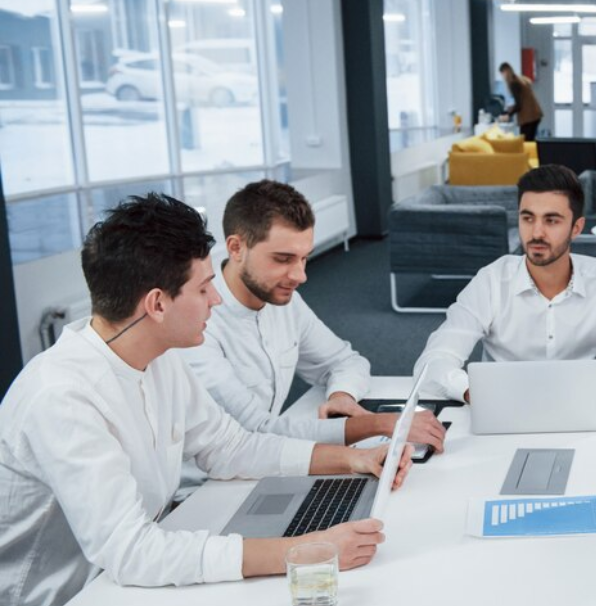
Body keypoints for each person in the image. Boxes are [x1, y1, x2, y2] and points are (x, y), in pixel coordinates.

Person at [0, 194, 411, 606]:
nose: (216, 299)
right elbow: (130, 552)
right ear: (157, 304)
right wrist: (303, 551)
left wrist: (353, 459)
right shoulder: (62, 395)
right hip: (67, 595)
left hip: (124, 576)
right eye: (203, 287)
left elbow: (231, 447)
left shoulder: (158, 358)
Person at [182, 180, 445, 449]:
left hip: (263, 459)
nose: (301, 276)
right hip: (208, 484)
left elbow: (345, 361)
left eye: (304, 257)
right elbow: (255, 428)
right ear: (236, 248)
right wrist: (383, 424)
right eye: (283, 259)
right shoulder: (194, 321)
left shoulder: (282, 299)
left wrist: (342, 395)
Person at [414, 165, 596, 402]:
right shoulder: (491, 281)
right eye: (528, 218)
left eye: (551, 220)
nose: (536, 233)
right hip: (500, 409)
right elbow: (433, 363)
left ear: (576, 227)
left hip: (582, 408)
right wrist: (472, 392)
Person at [499, 61, 544, 142]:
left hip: (529, 117)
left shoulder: (514, 83)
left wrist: (508, 115)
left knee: (525, 142)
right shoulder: (520, 79)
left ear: (505, 72)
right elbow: (522, 99)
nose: (503, 77)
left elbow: (519, 104)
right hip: (535, 114)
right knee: (530, 141)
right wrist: (511, 109)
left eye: (502, 74)